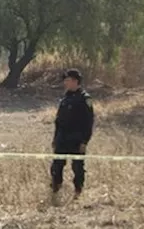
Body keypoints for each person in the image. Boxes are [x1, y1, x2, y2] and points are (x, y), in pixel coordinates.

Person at [51, 69, 94, 200]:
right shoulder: (66, 97)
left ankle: (78, 191)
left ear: (76, 81)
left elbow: (89, 122)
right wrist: (55, 139)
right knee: (56, 165)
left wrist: (84, 141)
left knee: (78, 167)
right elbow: (58, 120)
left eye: (68, 80)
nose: (65, 83)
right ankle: (55, 189)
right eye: (65, 80)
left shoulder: (85, 99)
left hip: (76, 138)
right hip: (62, 138)